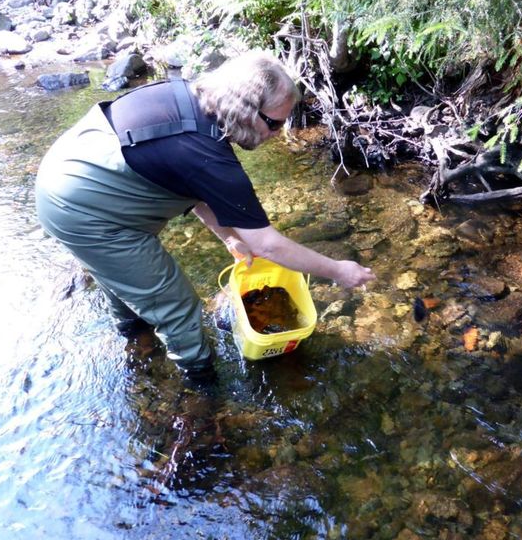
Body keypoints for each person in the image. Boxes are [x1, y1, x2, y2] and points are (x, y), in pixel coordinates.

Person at [35, 50, 374, 382]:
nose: (278, 133)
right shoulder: (208, 155)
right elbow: (268, 245)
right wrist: (338, 270)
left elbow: (192, 184)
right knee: (177, 304)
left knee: (124, 276)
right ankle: (199, 392)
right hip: (83, 209)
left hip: (66, 172)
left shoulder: (191, 100)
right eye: (275, 123)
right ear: (245, 109)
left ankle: (136, 339)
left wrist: (227, 235)